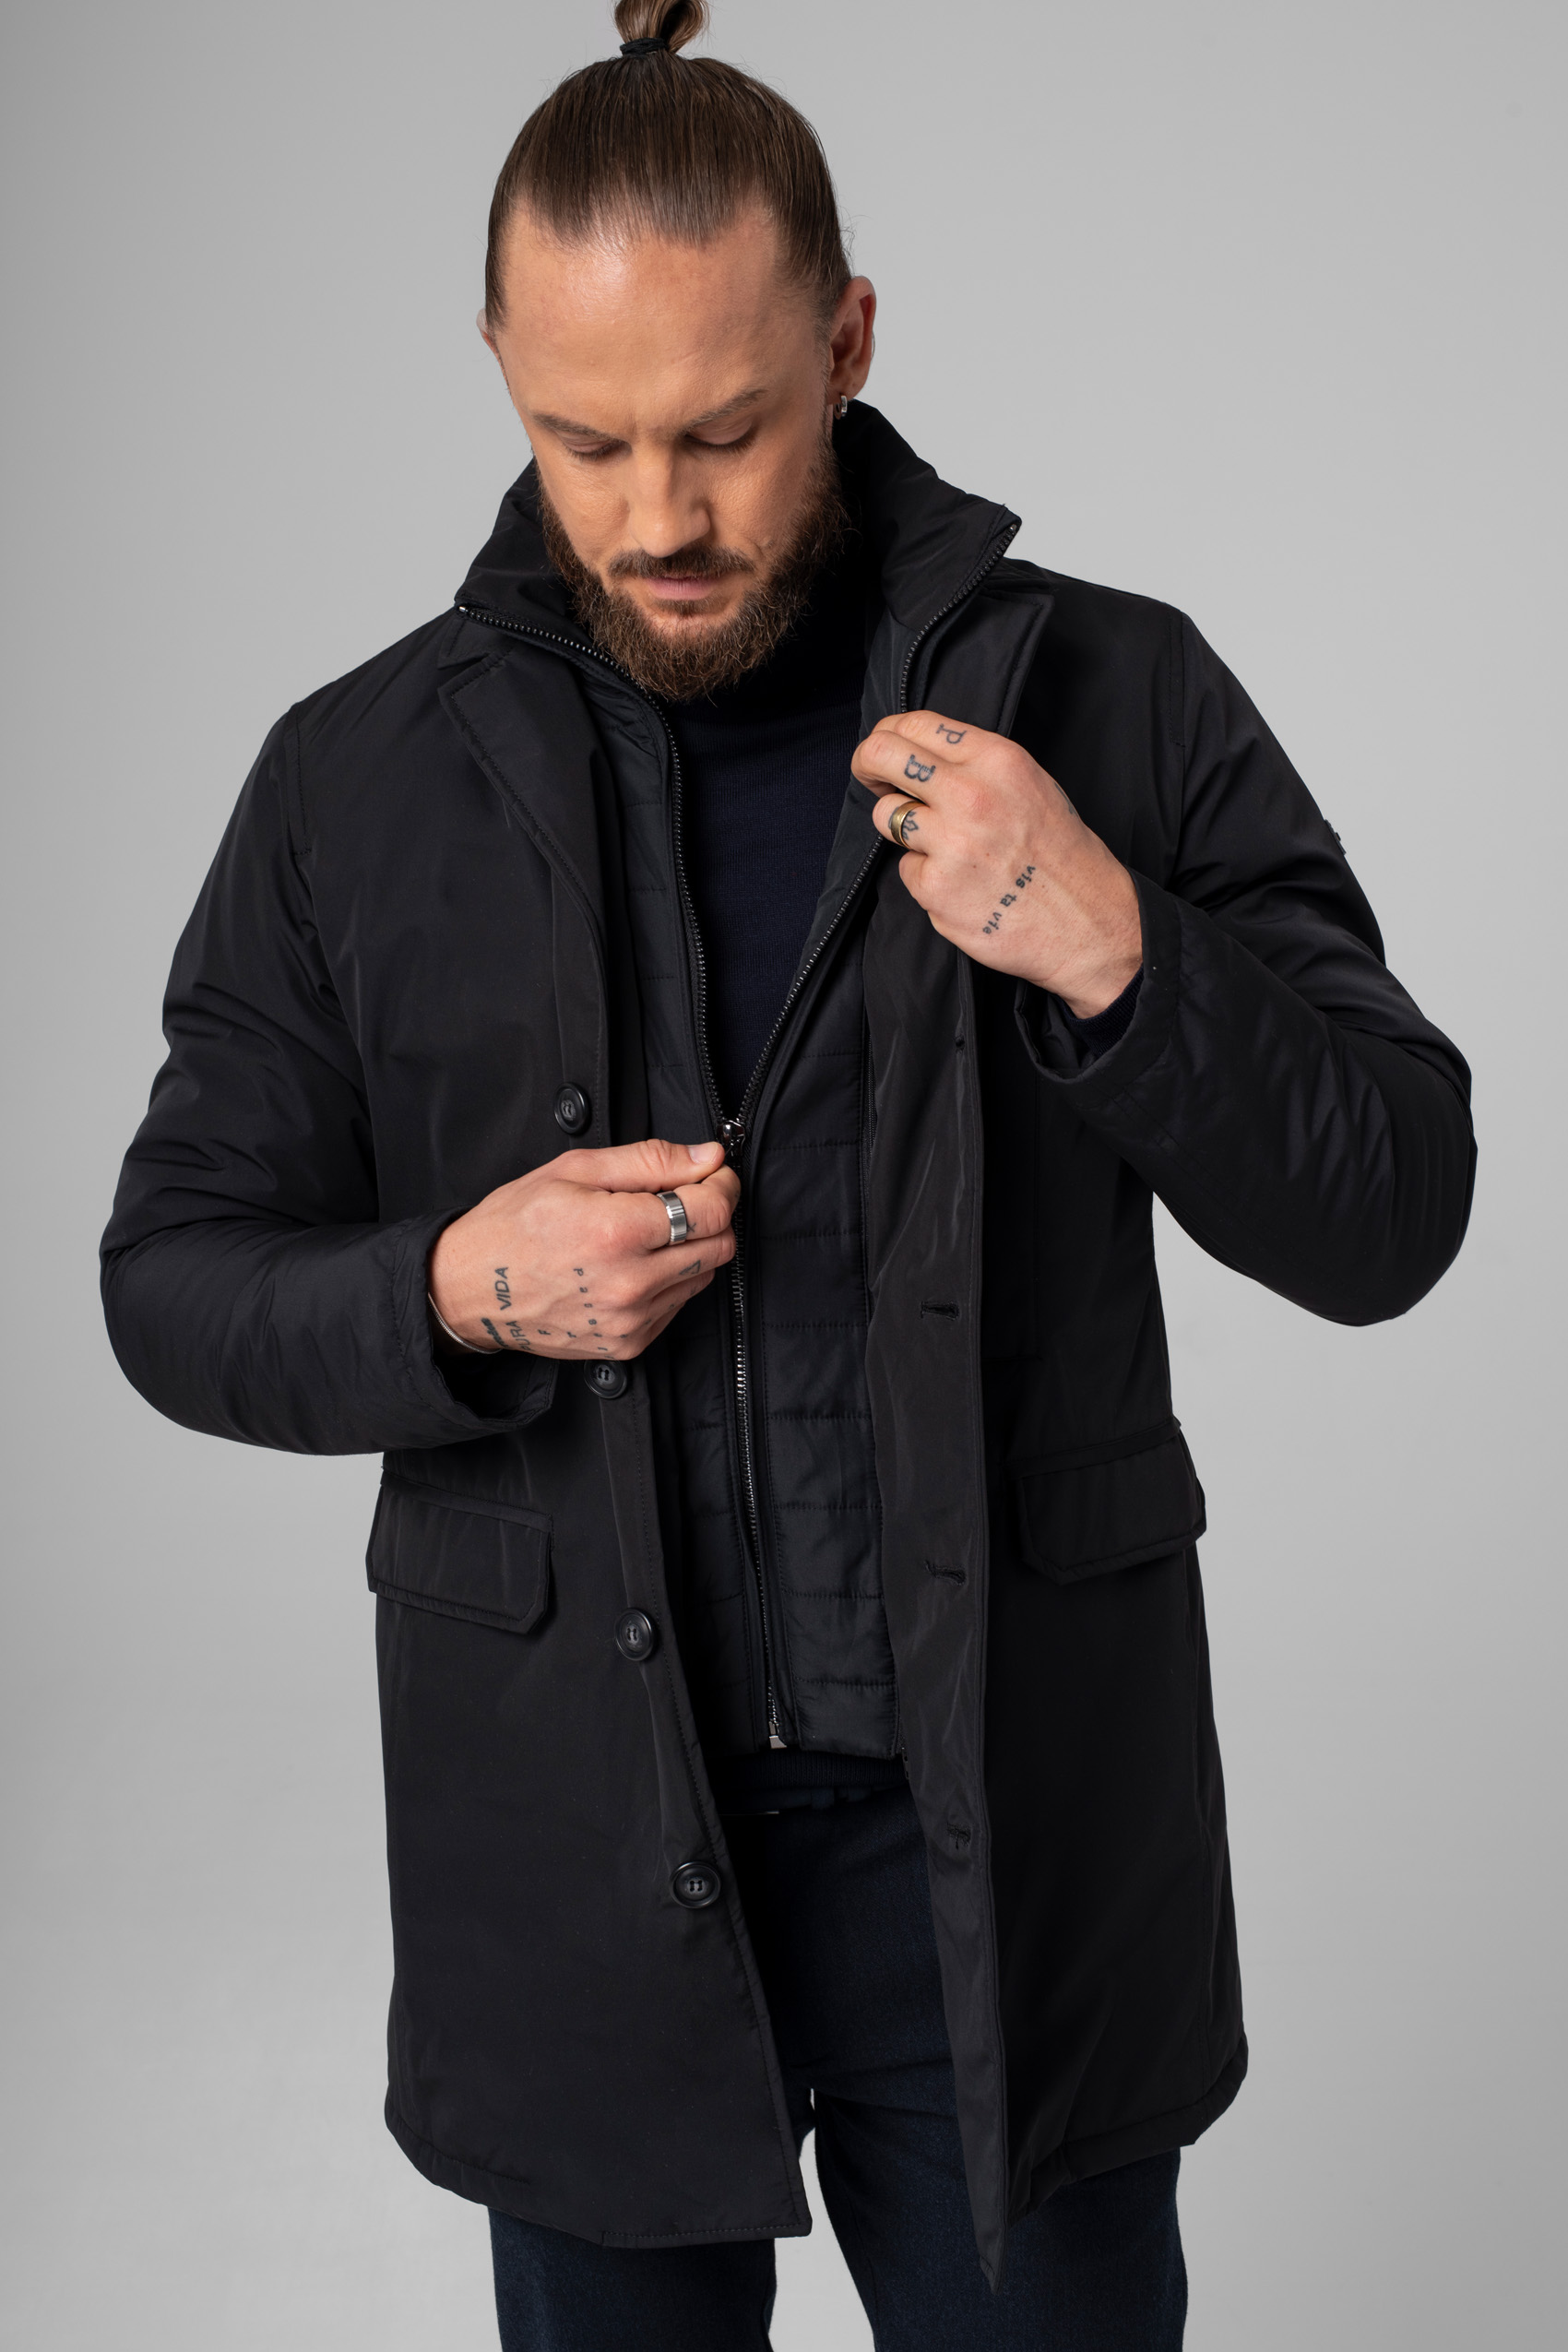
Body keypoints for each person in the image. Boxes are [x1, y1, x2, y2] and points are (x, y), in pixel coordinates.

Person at [100, 3, 1476, 2344]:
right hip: (576, 1854)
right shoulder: (353, 779)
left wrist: (1115, 947)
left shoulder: (1112, 698)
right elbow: (171, 1282)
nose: (658, 517)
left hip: (1011, 1866)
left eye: (726, 430)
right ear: (498, 367)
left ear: (845, 341)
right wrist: (458, 1290)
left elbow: (1392, 1206)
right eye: (583, 438)